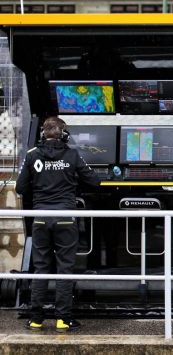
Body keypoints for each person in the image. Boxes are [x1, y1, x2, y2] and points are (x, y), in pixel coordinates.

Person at [15, 117, 100, 332]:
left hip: (41, 218)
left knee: (41, 267)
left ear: (43, 133)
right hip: (65, 218)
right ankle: (63, 319)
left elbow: (20, 187)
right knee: (64, 268)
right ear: (64, 135)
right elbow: (94, 181)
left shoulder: (32, 154)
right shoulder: (71, 154)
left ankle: (36, 318)